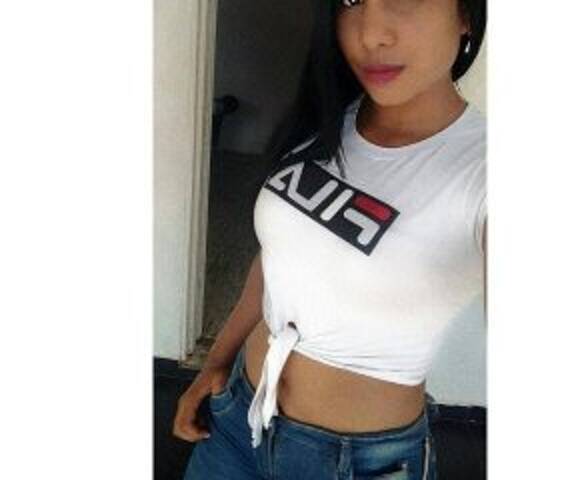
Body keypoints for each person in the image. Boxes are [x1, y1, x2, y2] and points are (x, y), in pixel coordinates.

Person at [173, 0, 487, 478]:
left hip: (359, 464)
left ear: (466, 14)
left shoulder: (484, 170)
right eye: (350, 1)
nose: (370, 34)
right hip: (239, 418)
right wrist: (217, 360)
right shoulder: (328, 118)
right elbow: (278, 257)